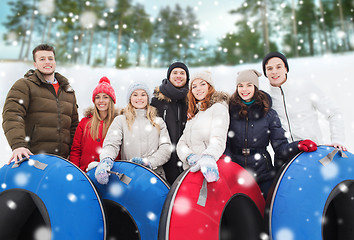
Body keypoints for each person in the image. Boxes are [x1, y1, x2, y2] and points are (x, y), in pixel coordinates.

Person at [224, 69, 317, 198]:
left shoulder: (268, 114)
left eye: (249, 85)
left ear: (255, 87)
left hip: (263, 172)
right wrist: (228, 164)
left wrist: (298, 146)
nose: (244, 90)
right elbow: (225, 142)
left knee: (267, 209)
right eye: (240, 86)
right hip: (236, 173)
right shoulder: (229, 111)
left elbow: (280, 147)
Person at [2, 44, 79, 164]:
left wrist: (73, 154)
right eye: (42, 59)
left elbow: (74, 126)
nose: (47, 62)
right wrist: (18, 145)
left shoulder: (68, 91)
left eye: (50, 58)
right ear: (35, 64)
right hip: (32, 158)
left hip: (62, 162)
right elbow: (12, 115)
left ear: (55, 61)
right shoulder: (24, 85)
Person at [262, 52, 347, 152]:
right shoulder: (266, 99)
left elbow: (334, 113)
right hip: (288, 158)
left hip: (313, 152)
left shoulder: (305, 88)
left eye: (279, 67)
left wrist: (337, 140)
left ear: (286, 69)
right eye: (269, 68)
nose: (274, 72)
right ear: (265, 73)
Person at [95, 81, 172, 184]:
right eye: (135, 95)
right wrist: (106, 159)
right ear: (130, 98)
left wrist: (149, 162)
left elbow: (166, 148)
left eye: (143, 94)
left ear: (148, 98)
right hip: (129, 177)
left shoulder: (158, 122)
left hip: (155, 176)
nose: (139, 98)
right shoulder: (121, 120)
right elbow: (111, 144)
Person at [176, 70, 229, 183]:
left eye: (202, 84)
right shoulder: (194, 114)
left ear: (210, 86)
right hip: (192, 172)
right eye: (194, 86)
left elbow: (218, 138)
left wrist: (208, 157)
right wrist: (189, 156)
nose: (198, 89)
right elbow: (181, 143)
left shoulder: (218, 108)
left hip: (210, 170)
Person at [151, 62, 189, 185]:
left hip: (187, 160)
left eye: (182, 73)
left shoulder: (193, 99)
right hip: (164, 161)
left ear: (187, 77)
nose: (178, 76)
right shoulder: (157, 100)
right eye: (175, 73)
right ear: (169, 76)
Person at [69, 76, 119, 172]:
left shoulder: (117, 123)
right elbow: (76, 150)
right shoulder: (84, 123)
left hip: (110, 173)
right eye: (97, 97)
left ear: (111, 100)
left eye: (105, 97)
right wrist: (76, 172)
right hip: (86, 172)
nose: (101, 101)